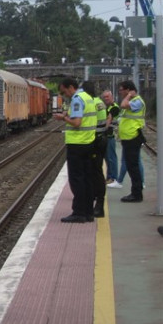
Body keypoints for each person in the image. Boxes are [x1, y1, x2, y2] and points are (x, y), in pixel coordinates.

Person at [53, 77, 96, 223]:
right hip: (89, 142)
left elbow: (77, 123)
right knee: (87, 179)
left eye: (64, 92)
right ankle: (89, 212)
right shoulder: (88, 97)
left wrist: (63, 118)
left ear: (70, 87)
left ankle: (79, 213)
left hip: (78, 144)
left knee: (77, 179)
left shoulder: (77, 99)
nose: (65, 95)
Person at [81, 82, 107, 217]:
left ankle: (99, 206)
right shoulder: (99, 102)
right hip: (100, 140)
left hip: (94, 142)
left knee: (95, 174)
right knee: (95, 173)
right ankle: (96, 204)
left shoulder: (91, 103)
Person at [117, 80, 145, 202]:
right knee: (131, 165)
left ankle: (137, 194)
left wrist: (128, 96)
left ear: (129, 90)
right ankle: (135, 192)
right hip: (128, 138)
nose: (120, 91)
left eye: (122, 89)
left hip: (133, 138)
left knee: (133, 166)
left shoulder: (137, 101)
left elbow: (123, 105)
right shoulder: (132, 100)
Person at [101, 90, 121, 187]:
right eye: (104, 97)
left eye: (107, 96)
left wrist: (104, 129)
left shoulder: (115, 107)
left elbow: (109, 118)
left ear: (111, 96)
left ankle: (113, 178)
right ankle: (109, 177)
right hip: (106, 136)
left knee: (111, 158)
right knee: (107, 158)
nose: (106, 98)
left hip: (110, 136)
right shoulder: (107, 107)